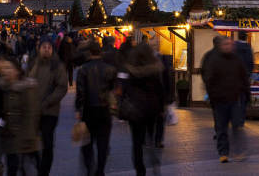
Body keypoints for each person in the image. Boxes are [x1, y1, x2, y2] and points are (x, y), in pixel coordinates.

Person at [201, 36, 249, 163]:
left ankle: (238, 151)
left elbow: (244, 78)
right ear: (221, 46)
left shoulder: (237, 60)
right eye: (226, 44)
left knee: (236, 126)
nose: (228, 46)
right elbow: (208, 78)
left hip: (234, 99)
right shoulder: (214, 60)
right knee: (221, 128)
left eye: (230, 44)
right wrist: (211, 96)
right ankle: (223, 153)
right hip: (219, 99)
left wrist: (246, 94)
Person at [75, 40, 117, 176]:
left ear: (89, 53)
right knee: (103, 143)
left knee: (87, 143)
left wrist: (78, 109)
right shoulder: (109, 69)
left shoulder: (83, 69)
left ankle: (89, 169)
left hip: (88, 110)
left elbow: (81, 92)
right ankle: (100, 170)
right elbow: (113, 89)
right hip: (104, 109)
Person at [124, 43, 165, 176]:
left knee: (136, 142)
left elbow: (125, 89)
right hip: (151, 109)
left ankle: (140, 169)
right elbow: (160, 90)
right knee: (150, 137)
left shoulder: (130, 70)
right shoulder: (155, 69)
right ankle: (154, 162)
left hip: (135, 109)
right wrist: (162, 107)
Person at [29, 37, 68, 176]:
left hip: (50, 111)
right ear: (39, 49)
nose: (46, 49)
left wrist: (47, 102)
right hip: (33, 111)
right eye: (44, 47)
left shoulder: (57, 66)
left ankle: (44, 171)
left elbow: (62, 87)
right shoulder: (33, 63)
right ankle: (38, 166)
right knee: (31, 143)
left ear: (52, 49)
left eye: (49, 47)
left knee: (47, 143)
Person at [0, 56, 41, 176]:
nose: (5, 71)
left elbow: (31, 113)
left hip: (25, 137)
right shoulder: (1, 87)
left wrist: (29, 137)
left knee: (25, 168)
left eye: (8, 68)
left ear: (17, 70)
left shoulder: (27, 87)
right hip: (9, 136)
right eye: (4, 68)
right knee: (12, 167)